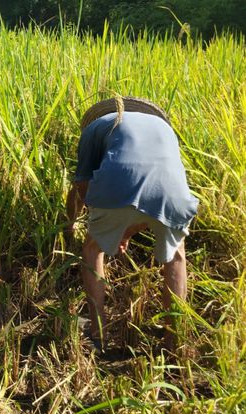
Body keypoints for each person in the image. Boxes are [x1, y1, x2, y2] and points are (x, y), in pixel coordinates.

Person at [66, 96, 198, 352]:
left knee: (93, 249)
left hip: (117, 187)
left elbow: (82, 185)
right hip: (174, 194)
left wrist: (76, 225)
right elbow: (153, 189)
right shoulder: (164, 129)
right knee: (176, 256)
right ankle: (174, 341)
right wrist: (124, 230)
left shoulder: (95, 128)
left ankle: (98, 336)